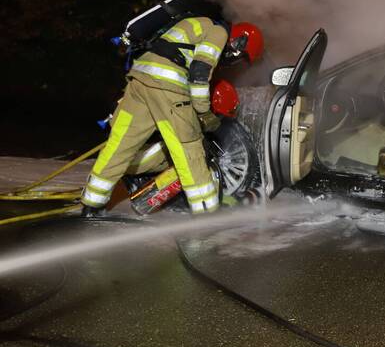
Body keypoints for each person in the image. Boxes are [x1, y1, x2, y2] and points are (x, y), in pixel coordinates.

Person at [80, 17, 264, 216]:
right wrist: (204, 113)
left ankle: (93, 204)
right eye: (239, 55)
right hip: (168, 84)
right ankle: (207, 211)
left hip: (139, 79)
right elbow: (199, 74)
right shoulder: (218, 33)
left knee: (120, 144)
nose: (233, 59)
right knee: (188, 147)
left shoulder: (199, 23)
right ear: (239, 41)